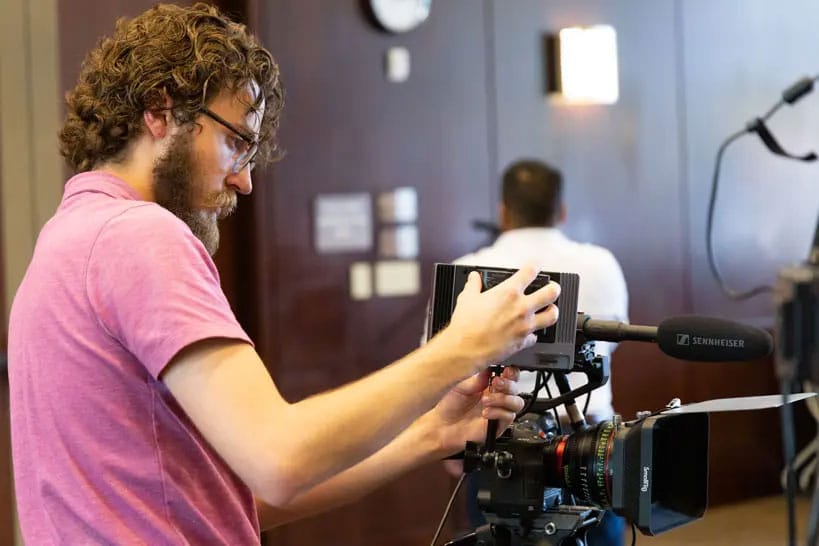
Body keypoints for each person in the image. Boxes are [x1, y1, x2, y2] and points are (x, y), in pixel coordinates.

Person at [7, 5, 561, 544]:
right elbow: (281, 460)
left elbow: (240, 498)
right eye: (236, 142)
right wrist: (462, 349)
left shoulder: (65, 242)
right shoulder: (139, 235)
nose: (244, 182)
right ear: (160, 111)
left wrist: (431, 434)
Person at [450, 159, 629, 544]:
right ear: (561, 211)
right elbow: (606, 347)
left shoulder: (467, 275)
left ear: (502, 211)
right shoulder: (602, 264)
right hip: (588, 452)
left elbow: (443, 373)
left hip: (499, 451)